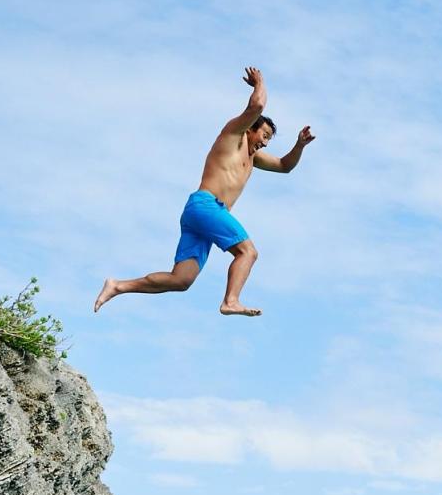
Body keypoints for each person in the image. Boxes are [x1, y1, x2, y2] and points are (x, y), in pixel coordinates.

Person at [94, 66, 313, 317]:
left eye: (268, 140)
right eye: (263, 135)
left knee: (181, 280)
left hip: (201, 218)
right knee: (248, 253)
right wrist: (260, 83)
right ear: (250, 128)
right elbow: (257, 107)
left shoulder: (254, 158)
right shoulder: (232, 137)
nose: (264, 142)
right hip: (206, 205)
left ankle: (118, 286)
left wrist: (299, 145)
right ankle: (231, 301)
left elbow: (285, 166)